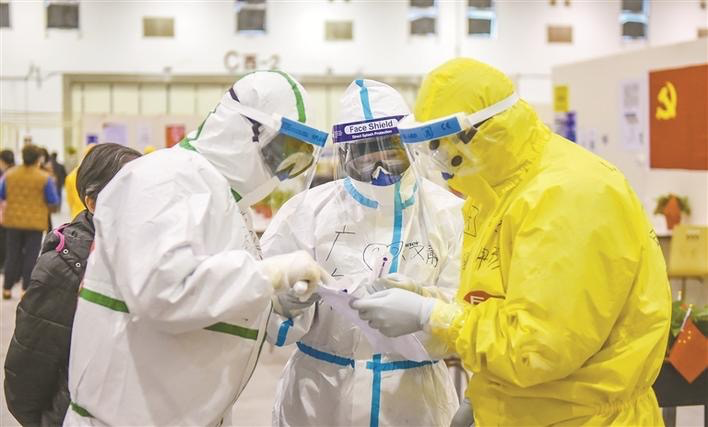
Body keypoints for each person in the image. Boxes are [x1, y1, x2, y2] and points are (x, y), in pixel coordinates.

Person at [352, 58, 671, 426]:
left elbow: (539, 349)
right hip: (527, 411)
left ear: (477, 133)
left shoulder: (567, 196)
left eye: (438, 142)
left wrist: (430, 315)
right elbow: (496, 303)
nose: (437, 158)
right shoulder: (493, 193)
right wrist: (481, 396)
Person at [65, 70, 329, 426]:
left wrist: (281, 303)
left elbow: (220, 302)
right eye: (285, 152)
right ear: (245, 130)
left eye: (300, 160)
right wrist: (270, 274)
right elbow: (162, 291)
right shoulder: (164, 178)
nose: (285, 171)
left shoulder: (226, 203)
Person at [261, 79, 464, 427]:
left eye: (390, 149)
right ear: (344, 154)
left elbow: (470, 310)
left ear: (409, 146)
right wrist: (287, 305)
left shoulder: (448, 213)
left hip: (414, 400)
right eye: (365, 150)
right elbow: (262, 306)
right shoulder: (307, 212)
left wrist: (424, 310)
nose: (379, 164)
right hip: (319, 397)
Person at [4, 143, 141, 427]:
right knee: (25, 258)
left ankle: (8, 286)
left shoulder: (154, 259)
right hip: (75, 416)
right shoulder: (65, 267)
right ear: (92, 202)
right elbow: (27, 373)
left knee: (17, 256)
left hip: (16, 223)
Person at [1, 145, 60, 299]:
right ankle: (25, 289)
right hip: (35, 223)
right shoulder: (44, 178)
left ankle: (6, 289)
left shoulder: (9, 175)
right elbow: (53, 200)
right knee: (31, 255)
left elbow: (2, 194)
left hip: (13, 222)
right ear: (38, 159)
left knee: (12, 254)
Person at [65, 144, 95, 220]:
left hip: (77, 215)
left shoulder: (71, 175)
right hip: (93, 217)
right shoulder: (99, 175)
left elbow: (70, 200)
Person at [0, 149, 16, 271]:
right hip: (14, 213)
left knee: (4, 240)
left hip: (6, 212)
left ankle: (3, 264)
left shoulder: (7, 175)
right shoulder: (15, 172)